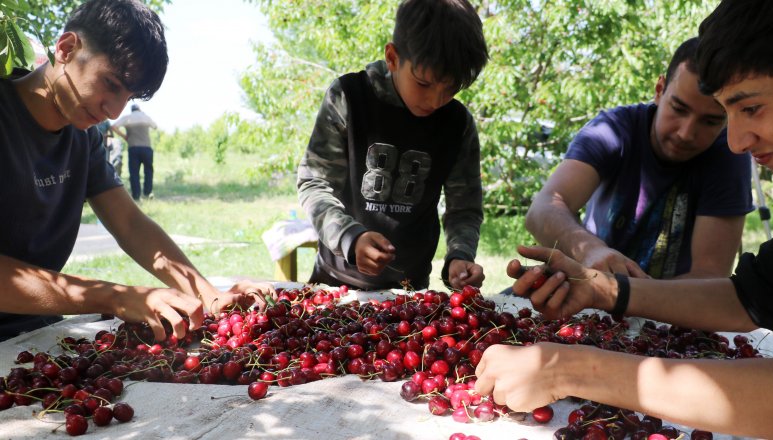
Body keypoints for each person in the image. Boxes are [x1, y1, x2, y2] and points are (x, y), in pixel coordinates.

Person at [474, 0, 773, 437]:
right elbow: (751, 297)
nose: (737, 142)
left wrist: (564, 368)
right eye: (728, 115)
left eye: (751, 108)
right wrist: (607, 290)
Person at [0, 0, 269, 343]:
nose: (113, 111)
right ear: (67, 49)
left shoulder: (84, 139)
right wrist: (115, 296)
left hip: (33, 334)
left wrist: (207, 294)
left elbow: (130, 224)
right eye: (111, 84)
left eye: (128, 97)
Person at [297, 0, 488, 291]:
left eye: (450, 89)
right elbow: (314, 183)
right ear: (392, 57)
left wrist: (460, 256)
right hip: (335, 283)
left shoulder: (457, 124)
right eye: (424, 84)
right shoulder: (349, 97)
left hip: (410, 290)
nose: (436, 101)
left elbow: (464, 208)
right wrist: (350, 238)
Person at [525, 37, 752, 280]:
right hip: (589, 295)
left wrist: (626, 295)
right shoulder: (613, 130)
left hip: (673, 310)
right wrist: (590, 250)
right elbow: (542, 209)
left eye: (710, 121)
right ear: (659, 90)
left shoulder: (729, 153)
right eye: (678, 108)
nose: (686, 133)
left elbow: (709, 276)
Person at [112, 103, 157, 200]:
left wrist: (125, 136)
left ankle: (136, 195)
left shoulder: (127, 118)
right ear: (139, 109)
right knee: (148, 171)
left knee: (134, 172)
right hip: (146, 147)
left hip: (133, 147)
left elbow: (114, 127)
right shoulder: (145, 117)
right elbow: (155, 126)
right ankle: (147, 192)